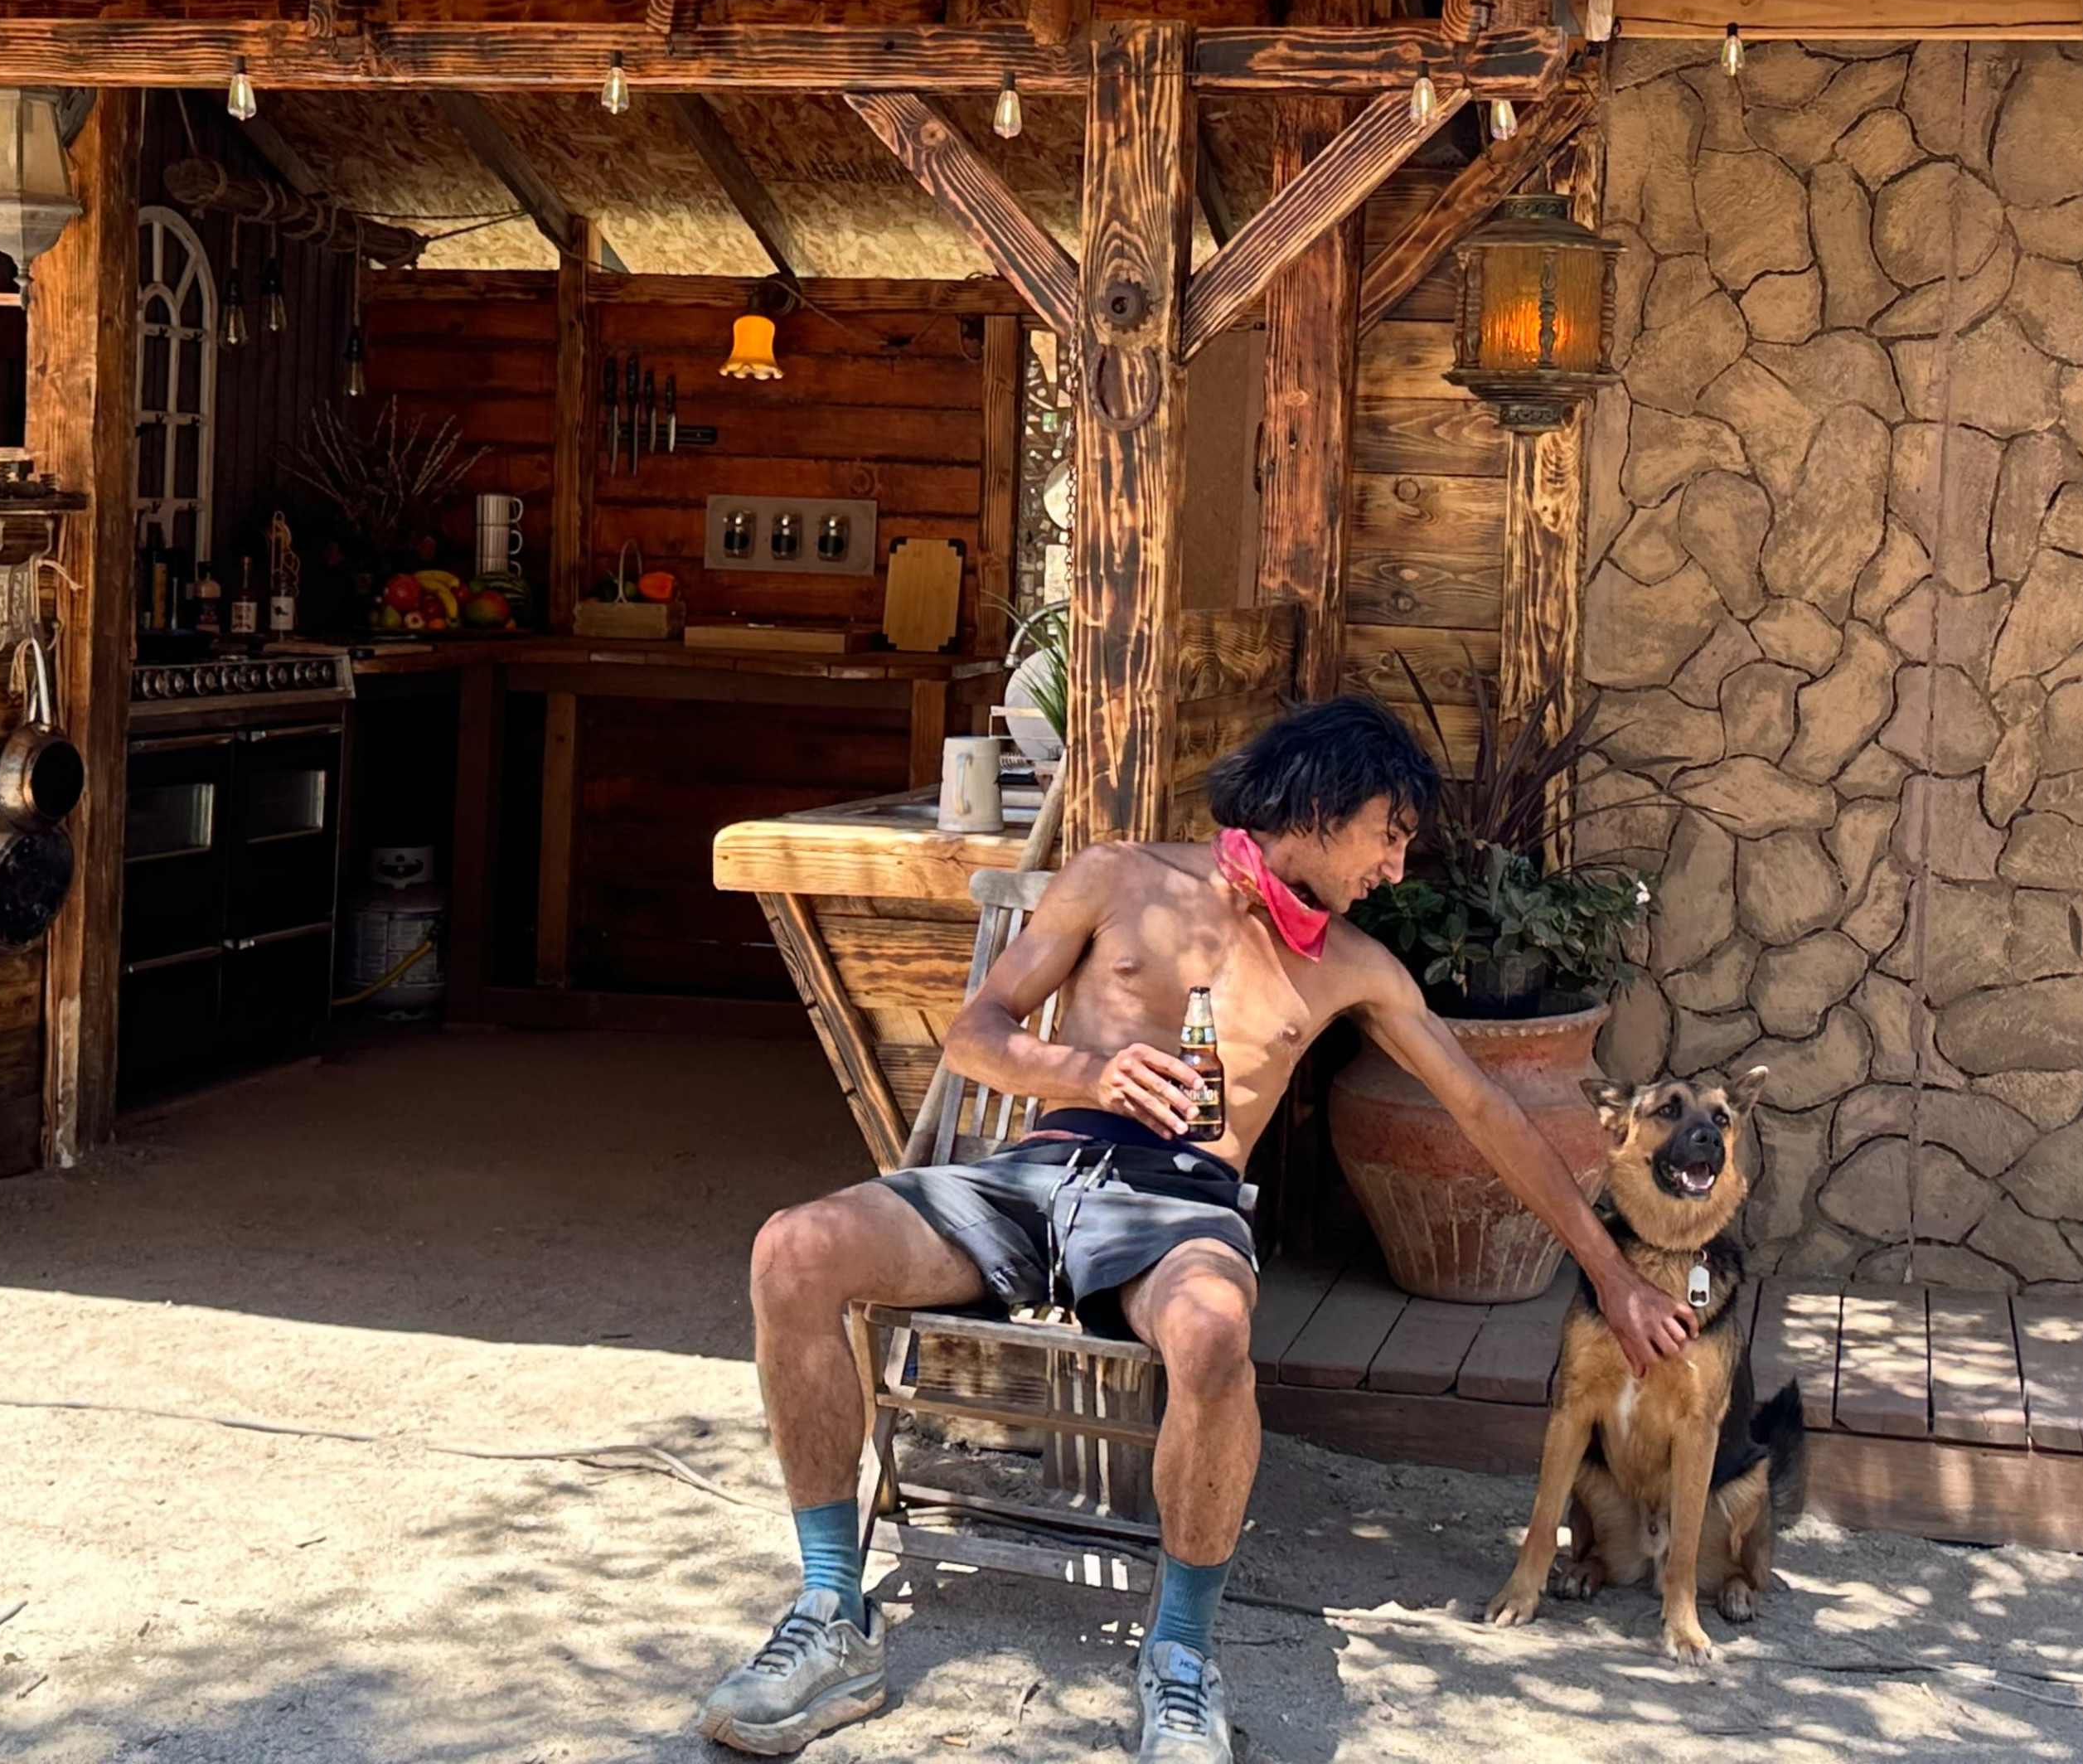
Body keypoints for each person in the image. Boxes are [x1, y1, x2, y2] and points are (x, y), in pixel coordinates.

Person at [703, 695, 1696, 1762]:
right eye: (1390, 833)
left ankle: (1178, 1659)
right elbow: (975, 1034)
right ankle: (829, 1617)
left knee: (1216, 1336)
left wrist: (1613, 1274)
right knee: (790, 1250)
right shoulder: (1116, 877)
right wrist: (1090, 1071)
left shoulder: (1351, 964)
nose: (1396, 869)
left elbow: (1488, 1111)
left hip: (1180, 1206)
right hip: (1032, 1177)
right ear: (1320, 804)